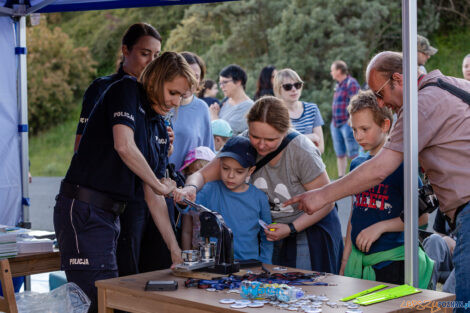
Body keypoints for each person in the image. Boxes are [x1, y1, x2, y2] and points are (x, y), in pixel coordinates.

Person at [286, 51, 470, 310]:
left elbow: (379, 169)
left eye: (380, 94)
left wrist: (321, 195)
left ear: (397, 79)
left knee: (462, 304)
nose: (382, 104)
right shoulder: (453, 85)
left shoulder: (421, 103)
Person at [54, 52, 196, 312]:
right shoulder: (127, 90)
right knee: (98, 303)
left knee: (113, 302)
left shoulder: (158, 125)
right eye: (172, 92)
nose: (174, 102)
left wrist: (175, 250)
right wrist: (158, 183)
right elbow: (124, 145)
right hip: (84, 208)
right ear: (156, 79)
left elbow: (153, 195)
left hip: (111, 216)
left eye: (180, 97)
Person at [178, 96, 343, 273]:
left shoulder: (302, 150)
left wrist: (291, 228)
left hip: (309, 228)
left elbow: (326, 202)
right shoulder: (242, 143)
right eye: (255, 136)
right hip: (272, 232)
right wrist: (191, 188)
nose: (261, 146)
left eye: (270, 139)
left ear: (285, 131)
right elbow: (201, 175)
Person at [341, 90, 433, 288]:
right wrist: (345, 260)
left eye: (365, 129)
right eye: (354, 129)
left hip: (394, 264)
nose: (358, 136)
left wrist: (381, 227)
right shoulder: (356, 165)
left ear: (385, 124)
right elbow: (354, 214)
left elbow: (422, 218)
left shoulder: (402, 166)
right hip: (361, 263)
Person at [75, 23, 162, 152]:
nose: (151, 62)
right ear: (125, 50)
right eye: (144, 54)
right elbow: (80, 145)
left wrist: (163, 142)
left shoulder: (154, 92)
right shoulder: (101, 88)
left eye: (156, 56)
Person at [188, 137, 273, 263]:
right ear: (219, 164)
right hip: (215, 264)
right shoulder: (210, 189)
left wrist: (265, 262)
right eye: (225, 168)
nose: (230, 176)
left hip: (249, 265)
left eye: (239, 171)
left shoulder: (259, 197)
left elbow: (268, 233)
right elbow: (188, 206)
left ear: (250, 170)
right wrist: (182, 195)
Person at [169, 52, 214, 170]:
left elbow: (208, 152)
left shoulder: (202, 108)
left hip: (188, 184)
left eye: (196, 76)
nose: (191, 81)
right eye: (186, 74)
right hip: (157, 181)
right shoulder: (162, 105)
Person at [273, 68, 324, 153]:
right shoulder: (275, 114)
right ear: (278, 90)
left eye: (297, 85)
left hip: (311, 163)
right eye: (288, 87)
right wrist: (308, 137)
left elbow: (320, 148)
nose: (294, 89)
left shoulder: (312, 109)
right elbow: (279, 147)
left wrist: (293, 141)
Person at [180, 146, 216, 250]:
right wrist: (186, 254)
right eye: (190, 173)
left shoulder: (218, 195)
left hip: (219, 250)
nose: (195, 177)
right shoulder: (190, 200)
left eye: (200, 172)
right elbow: (186, 231)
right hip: (197, 251)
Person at [330, 60, 360, 177]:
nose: (331, 73)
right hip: (336, 124)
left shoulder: (351, 83)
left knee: (353, 152)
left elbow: (356, 103)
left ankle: (356, 177)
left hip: (346, 123)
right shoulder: (338, 85)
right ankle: (341, 177)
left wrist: (351, 120)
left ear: (338, 71)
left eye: (332, 70)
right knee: (340, 153)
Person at [210, 64, 254, 135]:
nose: (221, 87)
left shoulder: (248, 107)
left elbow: (227, 134)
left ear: (238, 82)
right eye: (220, 83)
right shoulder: (226, 101)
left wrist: (214, 117)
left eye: (224, 82)